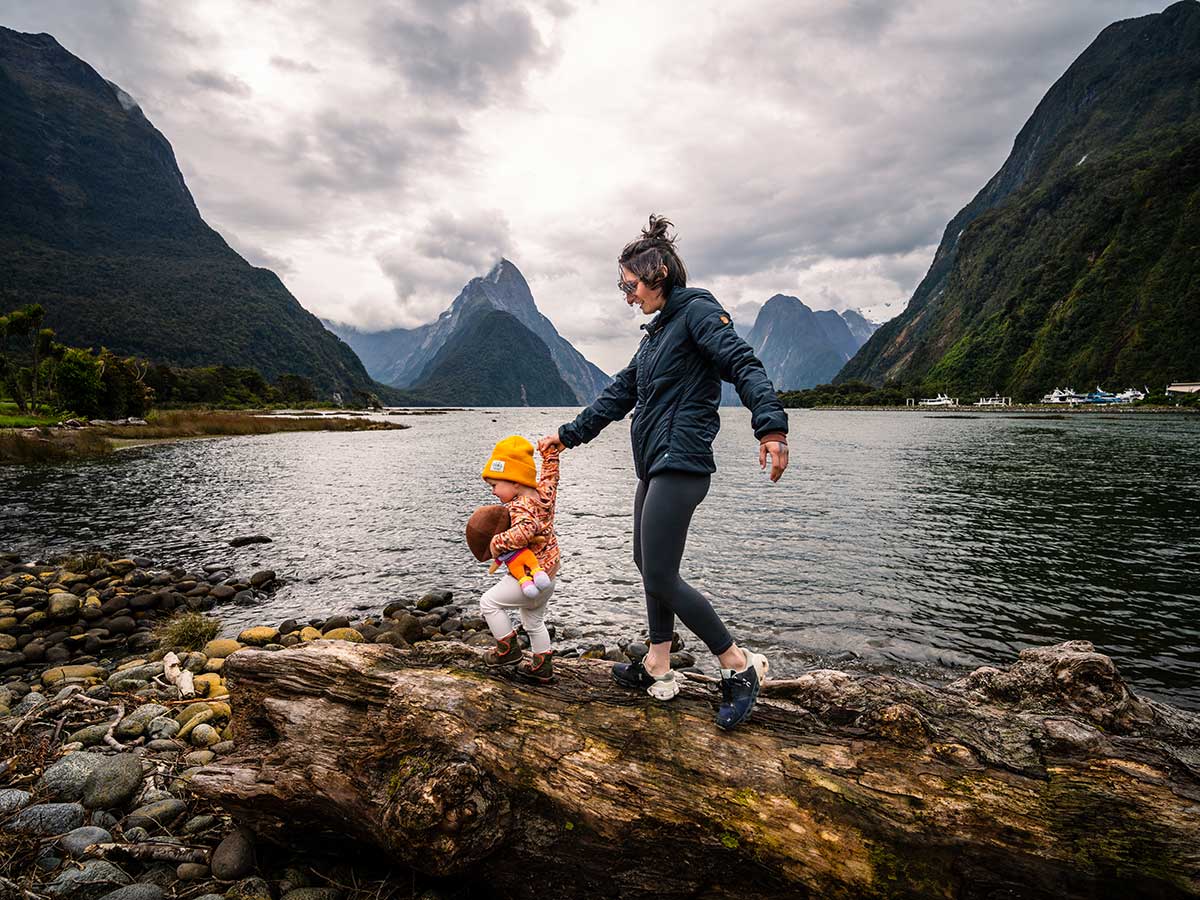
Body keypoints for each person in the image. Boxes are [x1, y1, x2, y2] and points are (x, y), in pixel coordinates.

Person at [538, 215, 788, 730]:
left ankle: (737, 664)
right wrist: (567, 435)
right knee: (647, 563)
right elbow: (618, 394)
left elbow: (744, 365)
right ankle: (658, 662)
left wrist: (771, 427)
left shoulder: (698, 313)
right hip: (654, 464)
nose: (627, 296)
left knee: (658, 573)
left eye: (630, 285)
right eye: (623, 287)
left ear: (659, 275)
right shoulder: (655, 337)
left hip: (682, 461)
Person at [479, 435, 562, 683]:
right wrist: (550, 455)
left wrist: (495, 543)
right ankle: (542, 667)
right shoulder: (543, 495)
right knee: (534, 621)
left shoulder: (520, 505)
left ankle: (507, 651)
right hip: (548, 573)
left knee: (489, 603)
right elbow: (551, 477)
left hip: (527, 576)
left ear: (515, 482)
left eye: (495, 485)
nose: (493, 491)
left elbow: (525, 530)